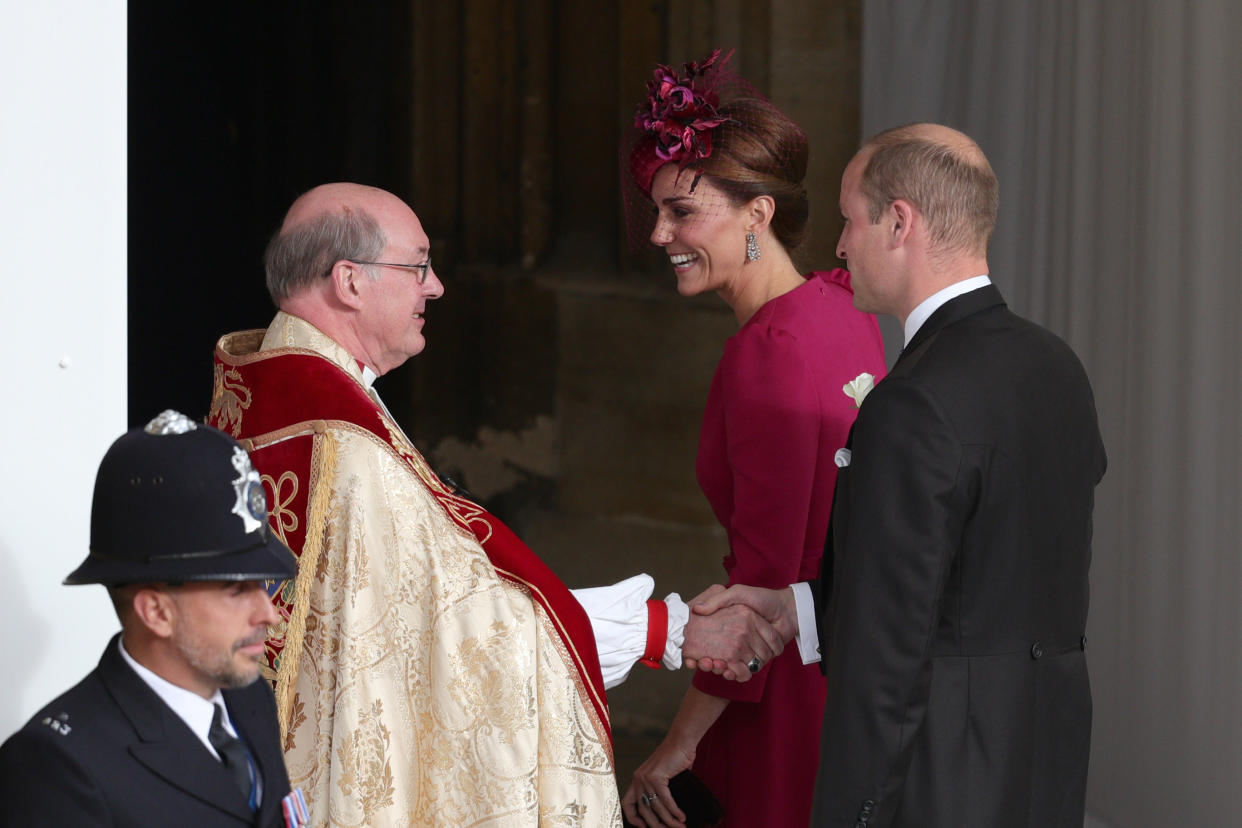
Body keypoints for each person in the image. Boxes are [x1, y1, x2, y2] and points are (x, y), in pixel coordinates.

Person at [206, 182, 783, 826]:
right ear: (349, 281)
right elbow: (468, 644)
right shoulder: (347, 448)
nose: (436, 287)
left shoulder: (260, 393)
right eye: (419, 265)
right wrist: (668, 630)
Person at [694, 123, 1108, 827]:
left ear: (899, 222)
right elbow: (975, 586)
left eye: (850, 220)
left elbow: (887, 660)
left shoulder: (915, 399)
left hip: (942, 783)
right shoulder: (1057, 365)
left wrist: (852, 814)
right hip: (1042, 763)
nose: (840, 246)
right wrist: (796, 608)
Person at [618, 50, 887, 828]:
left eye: (683, 212)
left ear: (758, 215)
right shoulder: (845, 307)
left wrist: (677, 743)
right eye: (657, 210)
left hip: (777, 694)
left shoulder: (767, 354)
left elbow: (762, 588)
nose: (661, 233)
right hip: (840, 669)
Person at [0, 411, 305, 827]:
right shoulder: (59, 765)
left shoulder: (248, 702)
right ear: (157, 612)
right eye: (236, 590)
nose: (268, 613)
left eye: (263, 585)